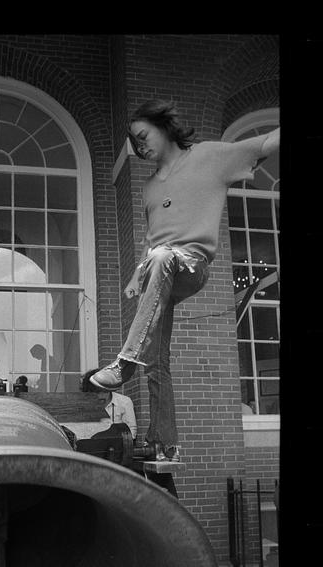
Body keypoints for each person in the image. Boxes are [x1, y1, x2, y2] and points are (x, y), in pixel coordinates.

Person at [89, 100, 280, 461]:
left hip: (191, 265)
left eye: (143, 135)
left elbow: (265, 143)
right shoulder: (148, 189)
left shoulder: (208, 157)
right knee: (158, 361)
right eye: (135, 142)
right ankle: (164, 444)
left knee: (164, 257)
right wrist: (134, 276)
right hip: (158, 273)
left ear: (164, 127)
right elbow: (151, 238)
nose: (140, 145)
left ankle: (125, 364)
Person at [81, 368, 138, 439]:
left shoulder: (124, 402)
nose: (101, 396)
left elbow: (131, 430)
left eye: (104, 391)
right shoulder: (85, 405)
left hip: (118, 446)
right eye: (97, 392)